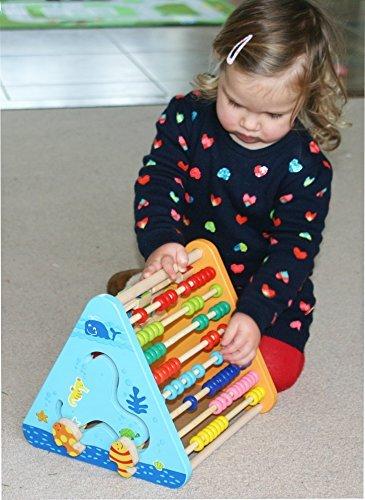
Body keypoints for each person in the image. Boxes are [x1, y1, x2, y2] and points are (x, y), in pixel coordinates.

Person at [108, 0, 347, 391]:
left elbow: (293, 250)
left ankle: (147, 291)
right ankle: (144, 279)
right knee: (139, 347)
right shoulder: (186, 117)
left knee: (277, 370)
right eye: (235, 102)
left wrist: (253, 315)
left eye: (273, 115)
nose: (250, 123)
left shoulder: (308, 169)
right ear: (222, 68)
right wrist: (162, 241)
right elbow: (159, 181)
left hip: (263, 285)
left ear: (306, 97)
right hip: (188, 270)